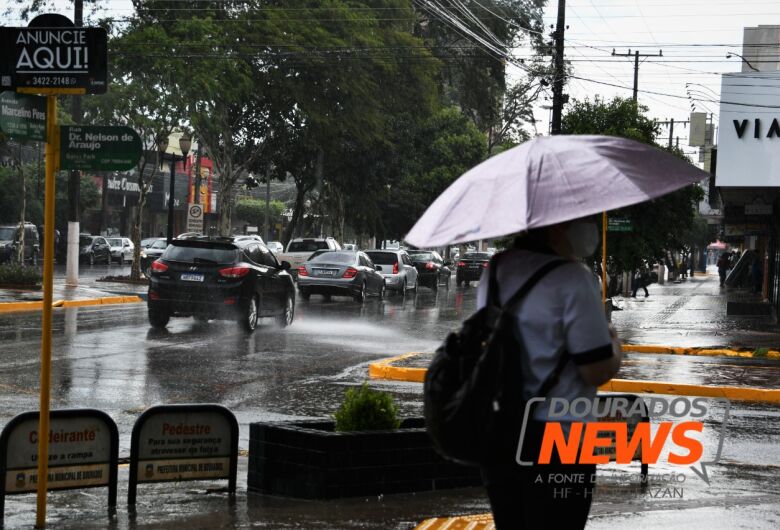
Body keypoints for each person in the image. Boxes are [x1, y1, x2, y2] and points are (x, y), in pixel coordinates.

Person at [476, 218, 623, 529]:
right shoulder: (573, 279)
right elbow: (596, 370)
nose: (588, 228)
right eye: (579, 221)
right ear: (556, 227)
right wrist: (615, 347)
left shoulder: (496, 269)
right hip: (562, 438)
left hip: (500, 431)